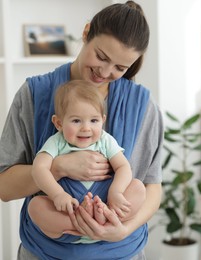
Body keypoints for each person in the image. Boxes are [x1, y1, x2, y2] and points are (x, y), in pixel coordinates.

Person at [0, 1, 163, 259]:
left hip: (122, 251)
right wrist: (59, 167)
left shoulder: (142, 107)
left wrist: (123, 230)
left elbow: (152, 187)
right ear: (86, 32)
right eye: (101, 57)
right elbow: (4, 187)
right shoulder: (34, 95)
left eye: (120, 68)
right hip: (45, 252)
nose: (106, 72)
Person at [28, 80, 146, 241]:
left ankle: (106, 216)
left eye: (94, 120)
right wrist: (58, 195)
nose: (86, 128)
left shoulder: (105, 140)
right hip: (70, 208)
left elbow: (123, 167)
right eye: (76, 121)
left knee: (138, 187)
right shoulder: (56, 142)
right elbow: (39, 169)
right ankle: (80, 222)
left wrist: (116, 192)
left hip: (106, 201)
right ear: (59, 123)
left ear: (103, 120)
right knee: (35, 207)